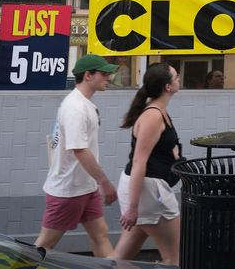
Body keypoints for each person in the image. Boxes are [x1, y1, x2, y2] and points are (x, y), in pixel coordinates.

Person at [34, 54, 119, 256]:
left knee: (100, 235)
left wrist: (96, 183)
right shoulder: (75, 107)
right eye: (105, 74)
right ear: (88, 75)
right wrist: (105, 182)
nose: (110, 78)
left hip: (85, 187)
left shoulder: (86, 104)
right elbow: (79, 150)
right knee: (45, 244)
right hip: (68, 190)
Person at [110, 63, 182, 265]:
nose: (179, 78)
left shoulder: (160, 112)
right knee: (174, 259)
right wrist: (132, 208)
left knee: (121, 257)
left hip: (148, 188)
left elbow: (157, 151)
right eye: (176, 76)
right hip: (148, 190)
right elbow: (139, 161)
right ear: (167, 87)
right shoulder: (153, 116)